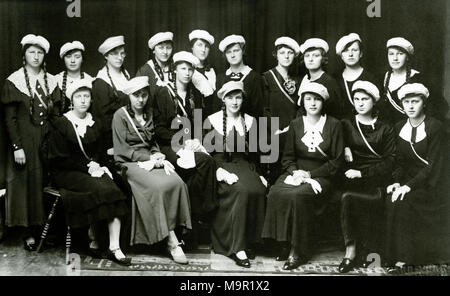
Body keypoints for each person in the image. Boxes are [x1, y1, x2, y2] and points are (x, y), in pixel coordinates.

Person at [48, 79, 131, 266]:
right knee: (103, 189)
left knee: (116, 187)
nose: (83, 100)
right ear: (72, 100)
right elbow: (60, 159)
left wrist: (100, 166)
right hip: (67, 172)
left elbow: (100, 153)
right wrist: (88, 167)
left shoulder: (95, 123)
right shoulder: (62, 124)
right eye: (79, 96)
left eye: (86, 96)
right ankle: (94, 237)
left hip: (92, 169)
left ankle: (114, 247)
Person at [262, 82, 344, 270]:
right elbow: (288, 158)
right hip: (297, 172)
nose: (313, 103)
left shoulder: (334, 125)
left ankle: (298, 250)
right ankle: (282, 242)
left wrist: (310, 174)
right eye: (308, 99)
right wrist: (294, 172)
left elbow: (336, 162)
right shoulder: (296, 124)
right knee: (275, 191)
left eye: (317, 99)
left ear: (323, 102)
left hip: (322, 176)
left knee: (298, 196)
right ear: (302, 102)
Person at [112, 76, 191, 264]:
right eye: (136, 95)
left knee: (177, 182)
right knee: (157, 187)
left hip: (150, 158)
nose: (141, 99)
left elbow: (152, 141)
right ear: (129, 96)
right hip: (128, 163)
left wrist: (157, 153)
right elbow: (121, 150)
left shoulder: (149, 113)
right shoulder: (120, 115)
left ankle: (177, 231)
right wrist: (149, 158)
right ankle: (171, 241)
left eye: (144, 95)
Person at [153, 51, 218, 249]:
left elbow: (198, 123)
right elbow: (159, 128)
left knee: (204, 163)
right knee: (203, 163)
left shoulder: (195, 95)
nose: (187, 72)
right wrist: (181, 141)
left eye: (191, 69)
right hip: (169, 145)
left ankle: (190, 223)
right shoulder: (163, 93)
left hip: (190, 143)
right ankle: (196, 219)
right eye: (183, 68)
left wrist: (196, 140)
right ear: (174, 70)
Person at [1, 34, 57, 251]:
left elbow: (57, 115)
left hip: (46, 141)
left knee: (44, 183)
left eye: (40, 52)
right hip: (24, 142)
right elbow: (10, 118)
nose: (36, 56)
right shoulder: (14, 81)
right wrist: (17, 147)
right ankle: (28, 232)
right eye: (31, 52)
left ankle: (44, 228)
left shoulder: (50, 81)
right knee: (26, 185)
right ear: (24, 55)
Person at [203, 81, 267, 268]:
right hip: (219, 165)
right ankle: (235, 246)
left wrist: (260, 174)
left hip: (245, 164)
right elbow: (206, 154)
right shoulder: (212, 120)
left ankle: (249, 241)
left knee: (258, 189)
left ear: (243, 99)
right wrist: (219, 172)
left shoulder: (250, 121)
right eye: (230, 97)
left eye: (238, 97)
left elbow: (255, 154)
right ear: (224, 100)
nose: (234, 101)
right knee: (241, 191)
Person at [385, 83, 446, 271]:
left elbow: (434, 166)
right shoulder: (398, 127)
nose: (410, 106)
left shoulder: (435, 127)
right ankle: (393, 256)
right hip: (409, 181)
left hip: (433, 184)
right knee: (391, 199)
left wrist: (408, 186)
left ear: (424, 103)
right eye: (406, 102)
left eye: (415, 101)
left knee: (405, 201)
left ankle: (406, 260)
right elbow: (400, 162)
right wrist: (396, 182)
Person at [337, 81, 396, 273]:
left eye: (365, 99)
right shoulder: (346, 123)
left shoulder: (385, 128)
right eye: (356, 99)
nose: (360, 103)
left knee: (369, 201)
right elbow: (337, 144)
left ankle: (371, 251)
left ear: (374, 102)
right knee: (347, 196)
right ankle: (351, 250)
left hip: (377, 177)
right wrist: (345, 146)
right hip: (352, 175)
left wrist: (363, 173)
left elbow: (390, 160)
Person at [262, 36, 301, 184]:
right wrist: (274, 129)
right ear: (276, 55)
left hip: (292, 131)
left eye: (290, 53)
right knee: (272, 174)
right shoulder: (266, 77)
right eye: (282, 52)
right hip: (272, 133)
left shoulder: (298, 80)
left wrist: (292, 127)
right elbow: (263, 108)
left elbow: (300, 107)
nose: (286, 56)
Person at [91, 36, 130, 159]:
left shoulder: (126, 74)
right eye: (115, 54)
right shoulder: (101, 82)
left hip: (131, 132)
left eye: (122, 53)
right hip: (112, 137)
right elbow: (103, 119)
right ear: (106, 56)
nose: (120, 57)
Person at [214, 35, 264, 118]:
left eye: (236, 50)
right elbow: (216, 110)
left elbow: (259, 111)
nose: (232, 55)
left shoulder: (254, 77)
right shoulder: (220, 78)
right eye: (228, 52)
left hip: (249, 128)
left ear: (243, 51)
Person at [335, 33, 378, 119]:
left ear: (361, 53)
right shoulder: (335, 79)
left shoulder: (371, 78)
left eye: (354, 50)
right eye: (346, 51)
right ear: (341, 56)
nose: (350, 54)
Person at [298, 38, 343, 119]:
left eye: (316, 55)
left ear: (322, 59)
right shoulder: (305, 80)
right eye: (307, 55)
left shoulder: (329, 82)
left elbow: (335, 115)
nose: (310, 59)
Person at [54, 41, 93, 115]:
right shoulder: (56, 80)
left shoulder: (90, 81)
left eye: (77, 57)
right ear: (63, 59)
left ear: (82, 59)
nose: (72, 61)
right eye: (68, 56)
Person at [136, 32, 174, 104]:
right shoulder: (145, 71)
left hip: (183, 114)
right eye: (161, 48)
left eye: (168, 48)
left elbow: (195, 97)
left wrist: (198, 115)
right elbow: (138, 101)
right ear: (153, 50)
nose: (165, 52)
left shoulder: (178, 68)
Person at [189, 29, 216, 116]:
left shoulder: (212, 71)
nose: (203, 50)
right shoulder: (186, 70)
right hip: (192, 118)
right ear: (192, 47)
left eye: (206, 46)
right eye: (199, 45)